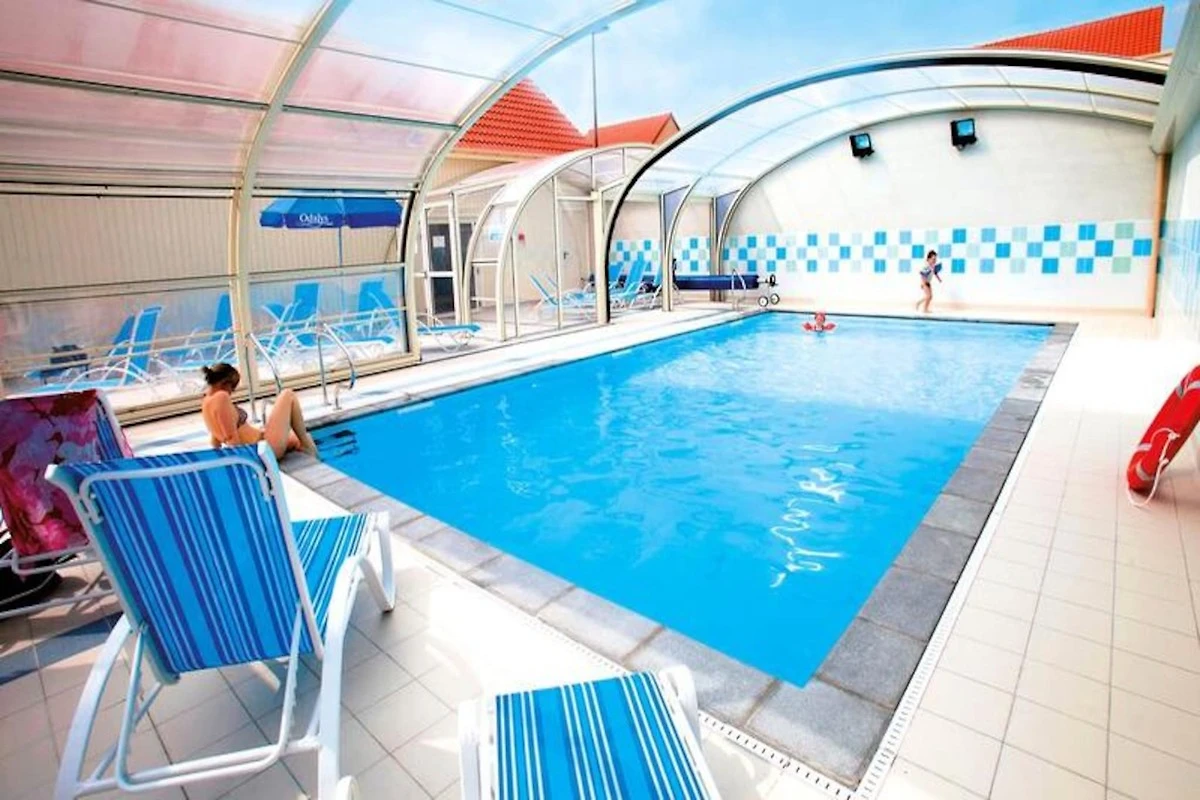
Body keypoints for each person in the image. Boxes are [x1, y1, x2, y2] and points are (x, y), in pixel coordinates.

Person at [201, 362, 317, 459]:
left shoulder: (206, 403)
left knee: (297, 438)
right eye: (233, 387)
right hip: (263, 449)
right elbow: (232, 438)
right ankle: (309, 449)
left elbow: (215, 439)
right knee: (288, 395)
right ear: (226, 383)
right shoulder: (221, 397)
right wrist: (246, 464)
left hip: (260, 444)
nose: (232, 392)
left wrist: (218, 459)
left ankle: (309, 452)